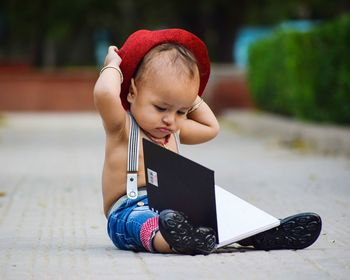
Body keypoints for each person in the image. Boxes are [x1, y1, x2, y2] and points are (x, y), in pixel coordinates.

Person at [93, 29, 322, 255]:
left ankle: (260, 230)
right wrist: (113, 64)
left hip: (174, 208)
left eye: (181, 111)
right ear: (132, 92)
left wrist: (188, 95)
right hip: (129, 209)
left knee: (218, 210)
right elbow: (105, 94)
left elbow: (211, 128)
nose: (169, 119)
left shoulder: (172, 128)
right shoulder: (122, 126)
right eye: (161, 107)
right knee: (144, 223)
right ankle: (173, 239)